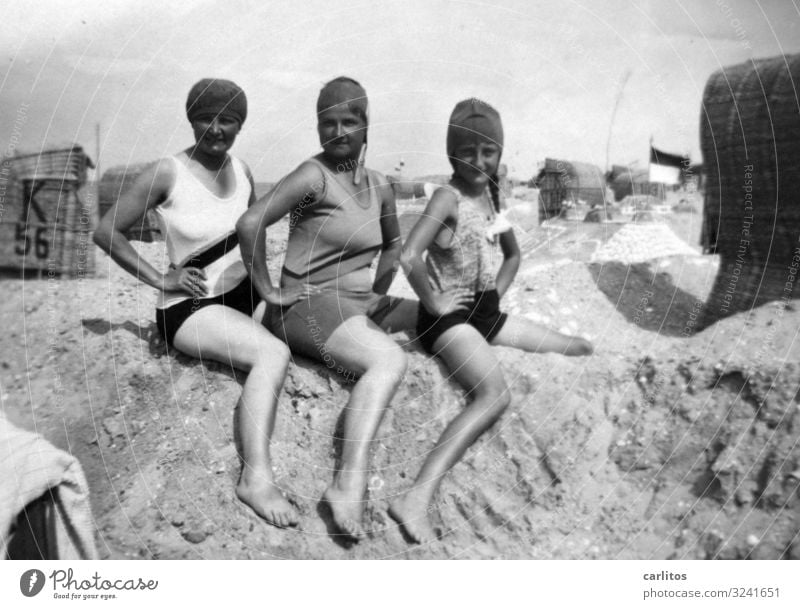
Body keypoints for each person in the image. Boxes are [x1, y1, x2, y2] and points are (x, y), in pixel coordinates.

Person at [93, 78, 298, 528]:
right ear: (191, 118)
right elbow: (106, 231)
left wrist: (268, 287)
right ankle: (256, 479)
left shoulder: (242, 169)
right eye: (207, 117)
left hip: (244, 296)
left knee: (315, 325)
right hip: (191, 307)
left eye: (229, 120)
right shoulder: (168, 172)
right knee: (273, 353)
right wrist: (161, 276)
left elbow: (254, 232)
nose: (217, 128)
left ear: (240, 125)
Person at [390, 98, 594, 543]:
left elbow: (513, 255)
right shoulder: (447, 198)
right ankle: (415, 498)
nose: (479, 161)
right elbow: (409, 254)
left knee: (572, 346)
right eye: (467, 151)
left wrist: (494, 292)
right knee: (493, 395)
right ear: (451, 154)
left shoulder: (490, 196)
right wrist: (434, 300)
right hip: (449, 325)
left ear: (500, 154)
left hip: (485, 313)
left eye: (489, 152)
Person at [237, 76, 416, 541]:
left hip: (352, 303)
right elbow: (251, 222)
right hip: (306, 307)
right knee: (390, 358)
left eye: (349, 122)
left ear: (366, 126)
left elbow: (394, 248)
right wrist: (268, 289)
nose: (338, 132)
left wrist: (377, 293)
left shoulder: (379, 185)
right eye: (327, 123)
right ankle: (346, 482)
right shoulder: (313, 176)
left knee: (440, 321)